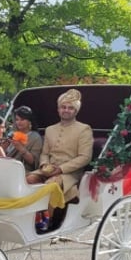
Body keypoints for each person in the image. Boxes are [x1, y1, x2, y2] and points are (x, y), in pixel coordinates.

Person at [25, 88, 93, 231]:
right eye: (63, 107)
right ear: (58, 109)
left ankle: (46, 223)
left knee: (52, 184)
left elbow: (85, 157)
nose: (66, 110)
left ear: (75, 111)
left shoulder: (84, 129)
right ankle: (27, 219)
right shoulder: (50, 129)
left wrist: (61, 169)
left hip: (70, 173)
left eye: (70, 108)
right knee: (28, 180)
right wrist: (44, 165)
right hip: (48, 168)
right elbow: (44, 153)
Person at [2, 105, 43, 171]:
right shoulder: (12, 134)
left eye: (22, 119)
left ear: (29, 121)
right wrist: (3, 147)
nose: (19, 122)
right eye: (17, 119)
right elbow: (3, 155)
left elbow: (34, 162)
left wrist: (20, 148)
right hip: (5, 166)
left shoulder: (35, 137)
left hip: (23, 170)